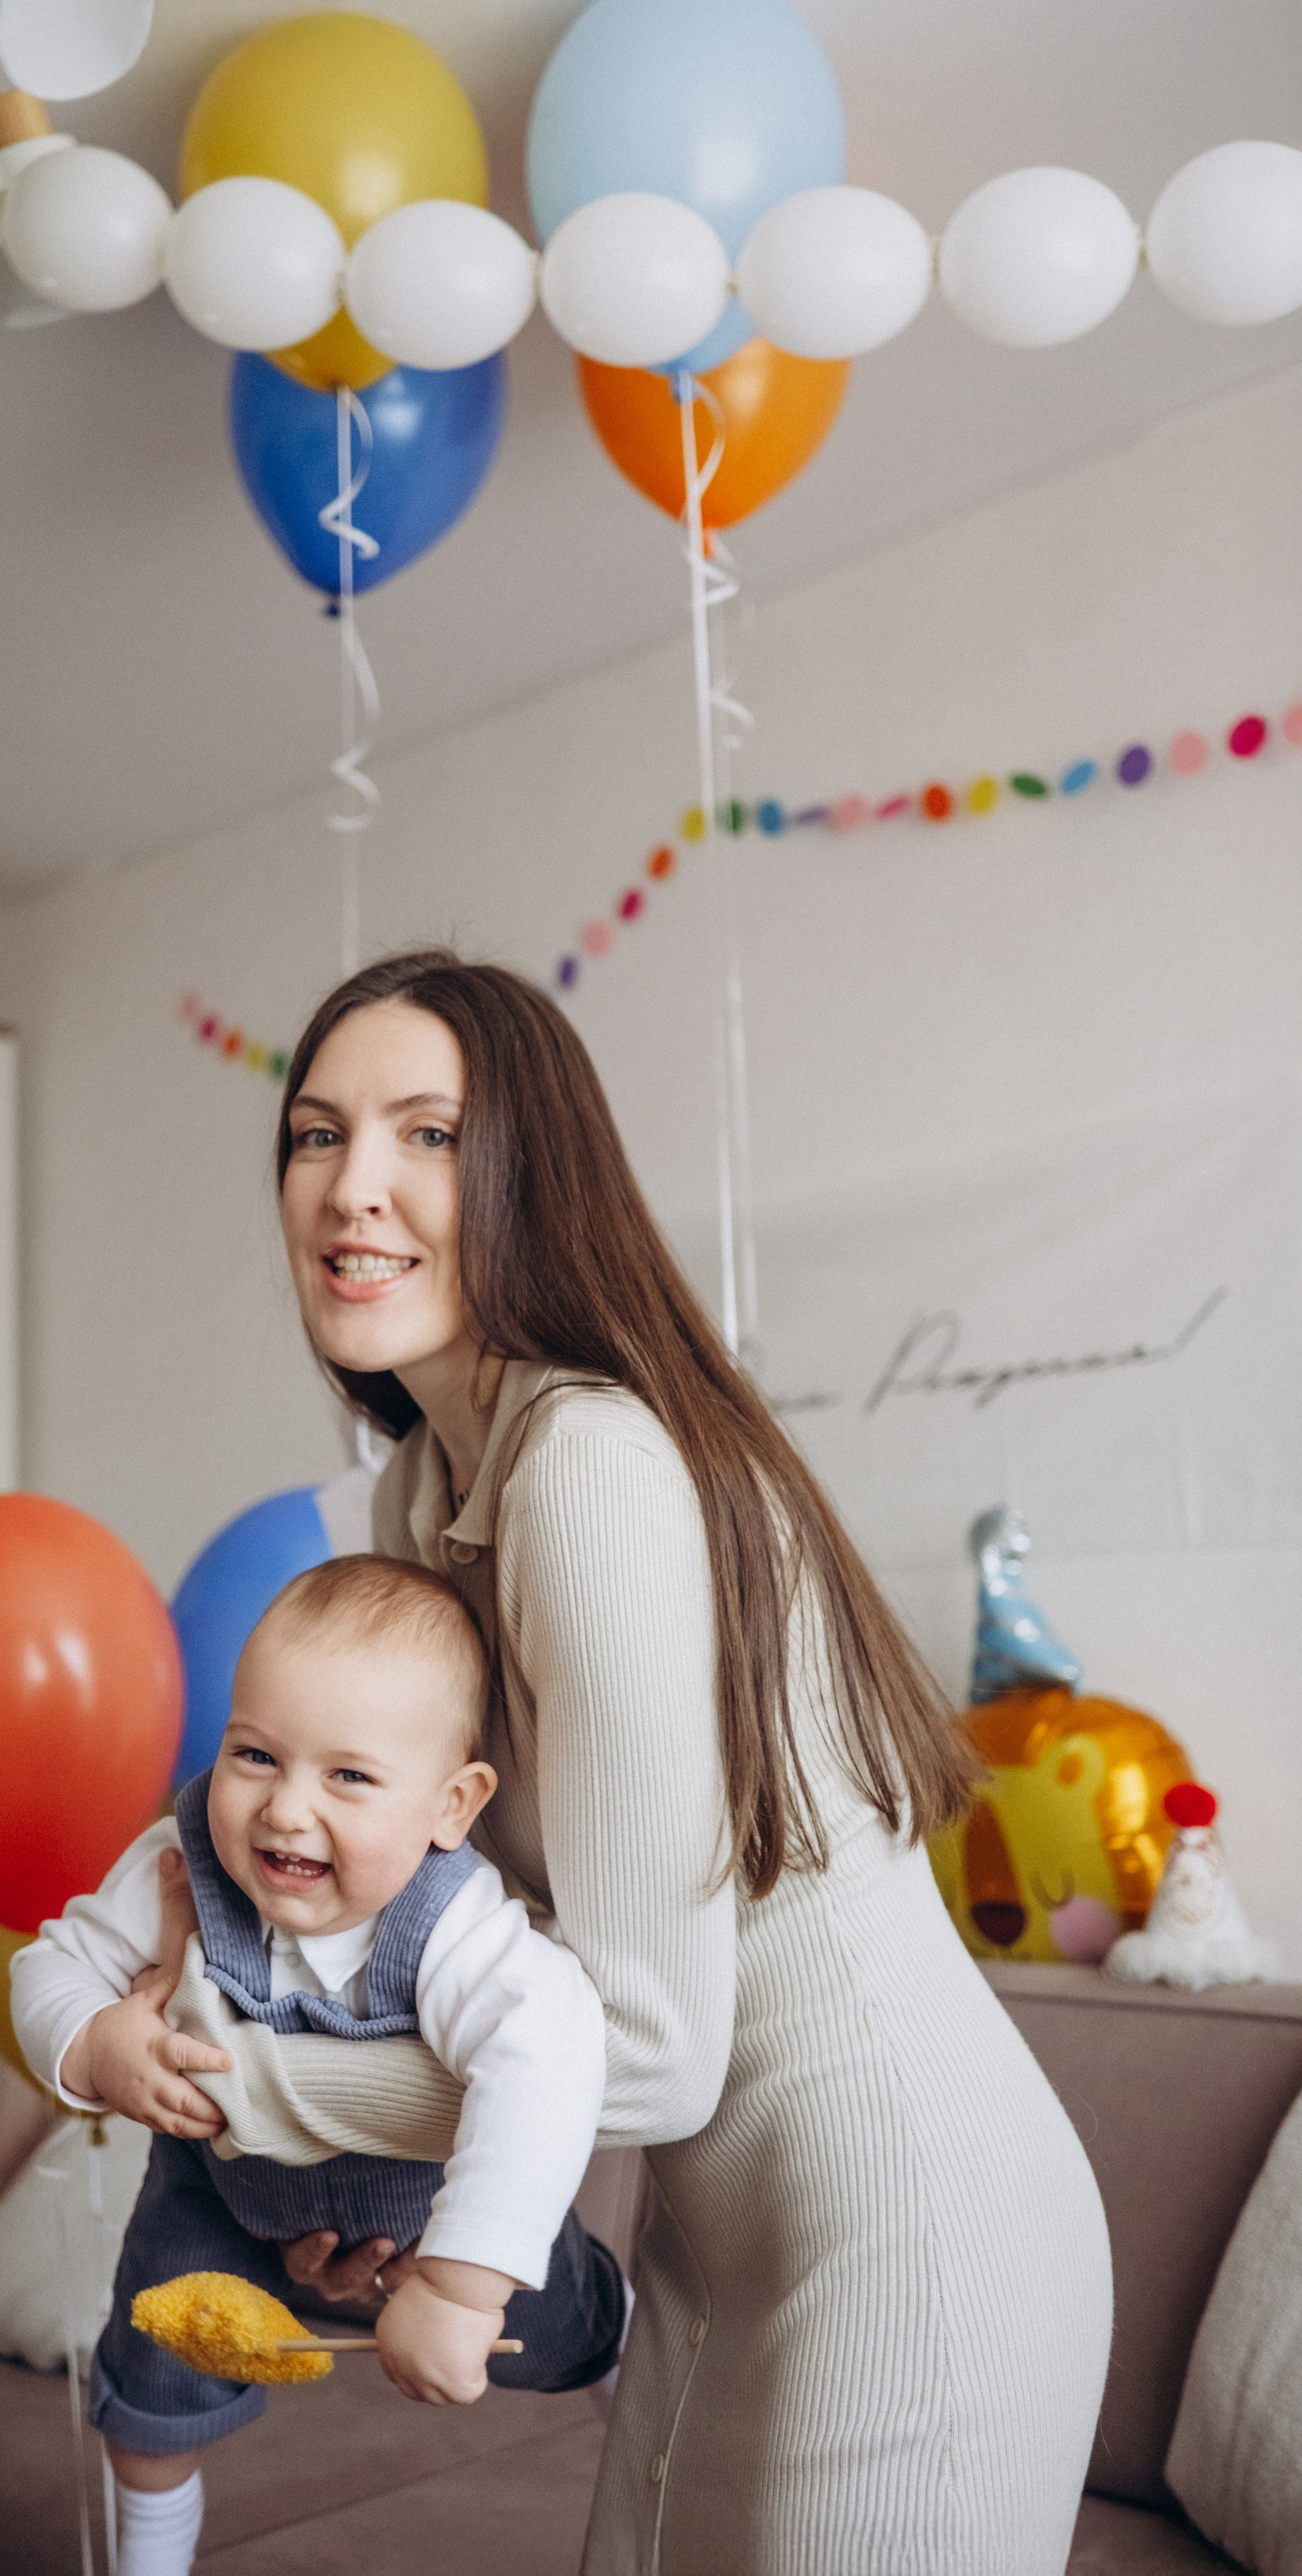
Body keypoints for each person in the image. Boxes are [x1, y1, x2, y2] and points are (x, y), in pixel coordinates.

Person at [132, 948, 1114, 2576]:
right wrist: (373, 2179)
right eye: (315, 1135)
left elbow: (650, 2048)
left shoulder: (586, 1464)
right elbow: (475, 1950)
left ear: (530, 1173)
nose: (351, 1188)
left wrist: (261, 2096)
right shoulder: (414, 1497)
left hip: (913, 2243)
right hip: (709, 2258)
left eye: (424, 1136)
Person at [12, 1553, 624, 2576]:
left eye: (348, 1775)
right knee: (151, 2367)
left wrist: (466, 2289)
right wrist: (100, 2044)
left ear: (452, 1805)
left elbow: (549, 2051)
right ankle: (148, 2560)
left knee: (560, 2331)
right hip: (223, 2189)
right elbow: (52, 1964)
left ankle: (620, 2355)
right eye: (255, 1755)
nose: (286, 1809)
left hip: (428, 2207)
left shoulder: (453, 1923)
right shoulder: (183, 1862)